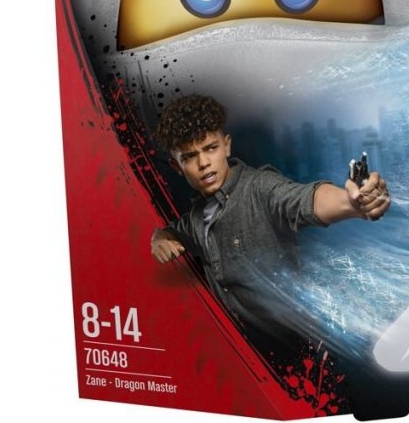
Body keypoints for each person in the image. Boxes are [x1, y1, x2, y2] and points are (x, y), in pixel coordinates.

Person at [149, 94, 390, 338]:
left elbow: (301, 199)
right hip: (241, 350)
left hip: (297, 345)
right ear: (177, 167)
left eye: (211, 148)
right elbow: (173, 231)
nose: (203, 163)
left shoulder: (261, 187)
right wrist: (161, 238)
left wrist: (351, 203)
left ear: (227, 146)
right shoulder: (195, 219)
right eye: (189, 157)